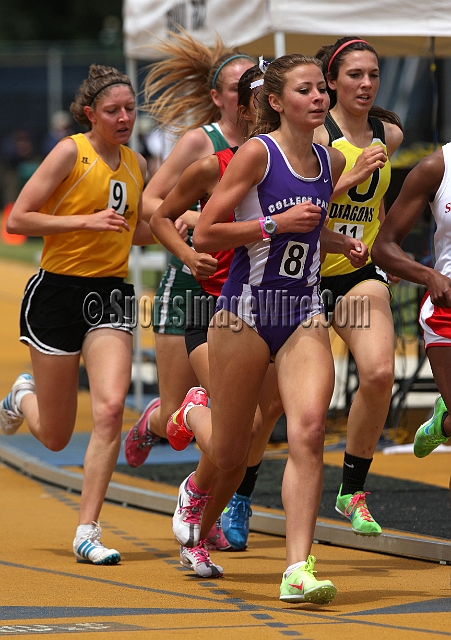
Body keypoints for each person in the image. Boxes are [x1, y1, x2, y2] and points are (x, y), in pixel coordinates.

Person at [165, 53, 346, 603]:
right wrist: (271, 223)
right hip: (243, 314)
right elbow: (207, 234)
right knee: (231, 450)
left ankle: (297, 570)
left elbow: (306, 234)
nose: (319, 98)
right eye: (306, 90)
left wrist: (340, 242)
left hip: (302, 314)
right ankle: (193, 422)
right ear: (276, 102)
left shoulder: (329, 161)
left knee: (308, 429)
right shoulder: (255, 154)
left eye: (322, 90)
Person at [0, 64, 154, 565]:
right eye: (113, 110)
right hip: (57, 295)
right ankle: (23, 396)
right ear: (90, 113)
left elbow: (135, 231)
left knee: (110, 409)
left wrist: (186, 225)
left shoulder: (137, 163)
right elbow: (19, 218)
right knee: (56, 434)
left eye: (130, 109)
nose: (124, 117)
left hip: (109, 294)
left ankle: (87, 528)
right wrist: (83, 221)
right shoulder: (71, 151)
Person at [123, 30, 255, 546]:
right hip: (192, 284)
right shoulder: (203, 143)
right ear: (219, 97)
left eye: (254, 83)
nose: (246, 93)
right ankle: (151, 423)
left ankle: (204, 515)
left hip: (247, 293)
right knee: (183, 416)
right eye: (235, 86)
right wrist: (200, 216)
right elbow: (153, 205)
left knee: (230, 415)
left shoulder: (277, 146)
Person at [312, 37, 404, 536]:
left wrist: (378, 246)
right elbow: (294, 201)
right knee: (275, 406)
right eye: (354, 75)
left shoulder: (387, 134)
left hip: (355, 275)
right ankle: (240, 492)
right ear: (331, 81)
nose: (366, 83)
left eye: (372, 75)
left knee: (379, 370)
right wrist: (348, 179)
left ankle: (352, 490)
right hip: (301, 277)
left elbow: (379, 205)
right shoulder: (318, 137)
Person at [371, 145, 451, 493]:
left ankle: (443, 424)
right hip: (447, 310)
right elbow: (384, 246)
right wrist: (429, 275)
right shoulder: (437, 167)